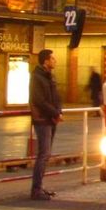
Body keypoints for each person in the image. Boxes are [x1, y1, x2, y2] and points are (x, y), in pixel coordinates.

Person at [30, 49, 63, 200]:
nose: (55, 61)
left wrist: (58, 112)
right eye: (53, 59)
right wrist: (55, 113)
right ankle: (36, 190)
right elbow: (39, 100)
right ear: (46, 61)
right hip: (42, 119)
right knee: (43, 154)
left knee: (46, 154)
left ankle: (40, 187)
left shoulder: (50, 76)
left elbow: (56, 97)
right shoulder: (37, 77)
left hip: (50, 119)